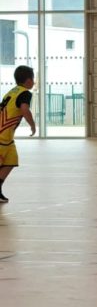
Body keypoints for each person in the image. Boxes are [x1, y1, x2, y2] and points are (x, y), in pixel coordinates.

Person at [0, 65, 37, 203]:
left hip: (7, 138)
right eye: (33, 79)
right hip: (2, 137)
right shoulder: (25, 93)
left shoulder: (13, 91)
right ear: (28, 80)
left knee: (11, 160)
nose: (34, 82)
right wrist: (32, 125)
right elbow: (24, 109)